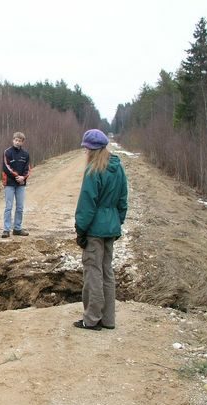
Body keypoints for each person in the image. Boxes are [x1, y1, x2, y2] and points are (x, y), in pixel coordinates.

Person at [73, 129, 128, 331]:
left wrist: (81, 230)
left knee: (93, 273)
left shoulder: (93, 171)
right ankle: (108, 319)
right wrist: (117, 221)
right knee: (107, 272)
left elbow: (87, 205)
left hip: (95, 230)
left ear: (91, 149)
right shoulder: (118, 167)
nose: (85, 151)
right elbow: (123, 200)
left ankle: (92, 319)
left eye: (86, 148)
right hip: (111, 228)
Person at [1, 131, 32, 238]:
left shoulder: (26, 154)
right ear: (13, 140)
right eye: (16, 140)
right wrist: (16, 176)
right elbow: (6, 167)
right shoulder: (7, 152)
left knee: (20, 207)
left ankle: (17, 228)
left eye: (19, 141)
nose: (17, 142)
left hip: (21, 184)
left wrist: (23, 177)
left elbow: (28, 168)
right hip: (9, 183)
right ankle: (6, 229)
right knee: (8, 207)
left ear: (23, 142)